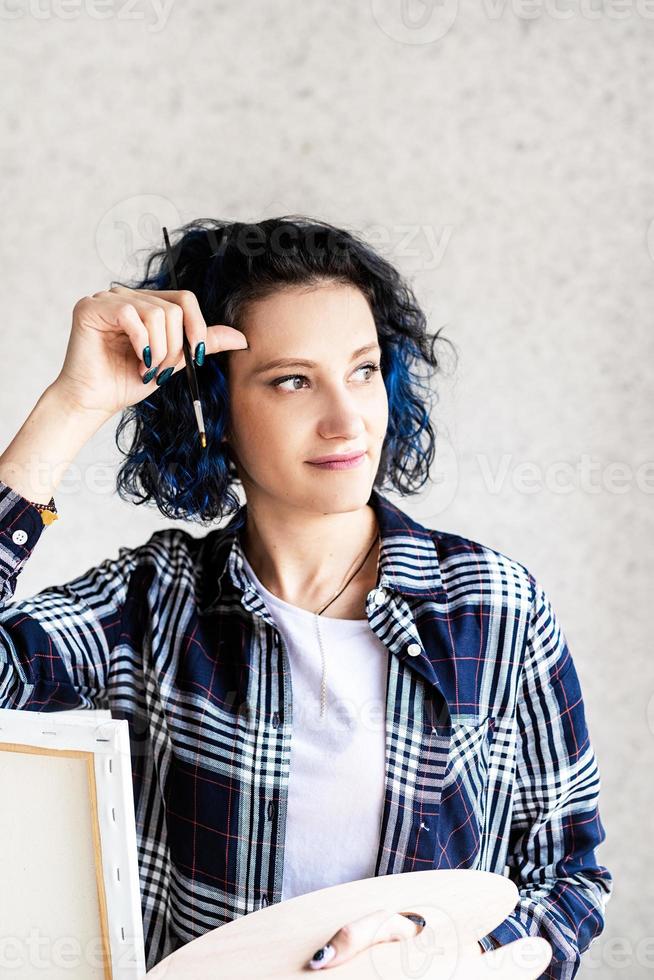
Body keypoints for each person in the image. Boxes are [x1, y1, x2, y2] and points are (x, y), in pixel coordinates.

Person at [0, 215, 612, 977]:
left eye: (361, 369)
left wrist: (439, 952)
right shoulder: (153, 605)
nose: (346, 417)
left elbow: (569, 876)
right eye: (293, 380)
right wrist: (72, 403)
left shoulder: (494, 606)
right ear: (215, 410)